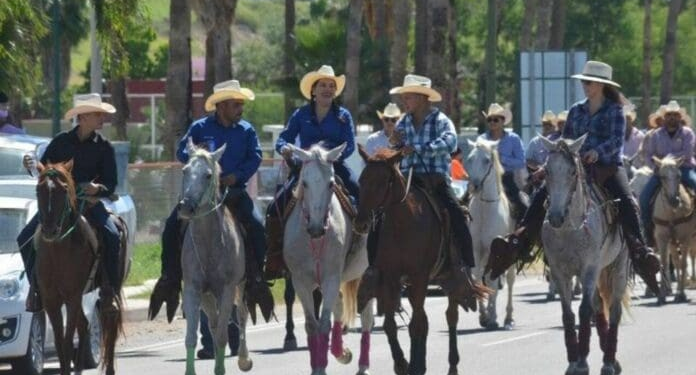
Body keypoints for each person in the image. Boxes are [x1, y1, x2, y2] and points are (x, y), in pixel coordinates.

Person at [490, 60, 661, 293]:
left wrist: (596, 152)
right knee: (542, 196)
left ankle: (639, 251)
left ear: (601, 85)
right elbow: (564, 143)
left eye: (588, 82)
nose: (584, 85)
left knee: (626, 200)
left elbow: (615, 142)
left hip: (607, 168)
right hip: (576, 168)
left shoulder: (615, 111)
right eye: (583, 81)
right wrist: (547, 168)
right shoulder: (576, 110)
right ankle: (519, 241)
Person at [149, 79, 273, 321]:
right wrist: (197, 157)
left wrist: (236, 175)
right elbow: (183, 151)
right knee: (172, 226)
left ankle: (257, 277)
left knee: (257, 226)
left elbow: (255, 157)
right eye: (236, 104)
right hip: (201, 195)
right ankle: (170, 277)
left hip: (234, 193)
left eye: (240, 104)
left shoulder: (246, 130)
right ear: (221, 106)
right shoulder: (199, 127)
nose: (240, 109)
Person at [359, 73, 476, 303]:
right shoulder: (403, 122)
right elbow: (398, 144)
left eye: (409, 96)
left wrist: (419, 148)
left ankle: (464, 269)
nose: (405, 101)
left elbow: (450, 143)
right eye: (405, 97)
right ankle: (373, 269)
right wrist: (395, 144)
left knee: (456, 213)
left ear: (423, 98)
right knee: (379, 215)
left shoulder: (441, 121)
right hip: (408, 179)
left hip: (436, 179)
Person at [18, 93, 120, 312]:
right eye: (97, 114)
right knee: (25, 237)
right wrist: (30, 165)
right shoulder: (60, 142)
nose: (102, 118)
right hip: (58, 206)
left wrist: (98, 189)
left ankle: (109, 291)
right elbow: (43, 170)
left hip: (90, 204)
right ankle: (36, 289)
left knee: (112, 235)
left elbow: (111, 183)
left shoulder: (104, 147)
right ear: (83, 117)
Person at [264, 65, 359, 280]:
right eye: (323, 85)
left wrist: (331, 157)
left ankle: (362, 250)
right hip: (304, 168)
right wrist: (285, 149)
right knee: (275, 206)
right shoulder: (301, 114)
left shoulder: (344, 116)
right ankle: (274, 257)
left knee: (360, 196)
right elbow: (283, 138)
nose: (327, 89)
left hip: (335, 166)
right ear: (313, 90)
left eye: (331, 86)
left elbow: (350, 145)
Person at [639, 100, 696, 246]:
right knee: (644, 198)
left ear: (679, 117)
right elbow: (648, 155)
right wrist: (657, 166)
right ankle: (648, 233)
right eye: (669, 114)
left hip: (684, 169)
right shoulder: (656, 135)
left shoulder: (688, 133)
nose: (672, 117)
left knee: (694, 185)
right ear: (664, 117)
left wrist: (667, 160)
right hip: (661, 172)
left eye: (675, 114)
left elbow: (688, 153)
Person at [478, 103, 527, 222]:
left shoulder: (513, 139)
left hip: (506, 178)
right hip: (484, 179)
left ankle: (522, 233)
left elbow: (521, 162)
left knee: (522, 206)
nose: (492, 122)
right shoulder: (482, 139)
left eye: (495, 119)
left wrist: (502, 159)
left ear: (503, 121)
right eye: (489, 120)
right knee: (465, 202)